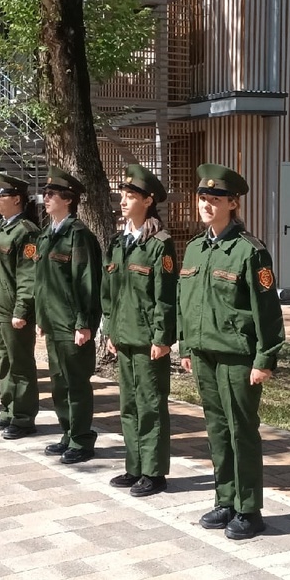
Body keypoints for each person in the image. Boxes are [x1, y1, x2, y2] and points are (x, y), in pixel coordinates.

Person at [177, 164, 285, 541]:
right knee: (216, 430)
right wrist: (186, 344)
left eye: (216, 199)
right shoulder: (194, 249)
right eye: (203, 197)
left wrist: (265, 358)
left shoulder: (249, 252)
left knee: (241, 432)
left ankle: (249, 508)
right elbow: (185, 302)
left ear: (233, 203)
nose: (207, 204)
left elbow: (267, 311)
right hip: (204, 355)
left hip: (238, 357)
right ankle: (225, 498)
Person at [102, 164, 176, 497]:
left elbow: (165, 297)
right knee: (129, 405)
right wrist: (111, 331)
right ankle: (134, 466)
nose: (123, 201)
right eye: (122, 195)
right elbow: (110, 293)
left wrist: (162, 338)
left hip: (148, 341)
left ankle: (155, 472)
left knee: (150, 405)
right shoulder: (119, 242)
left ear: (147, 201)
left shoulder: (159, 244)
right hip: (124, 337)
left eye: (130, 196)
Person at [34, 167, 102, 464]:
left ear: (68, 199)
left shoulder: (78, 235)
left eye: (51, 194)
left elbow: (86, 282)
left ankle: (82, 438)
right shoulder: (47, 234)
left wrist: (84, 323)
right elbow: (41, 281)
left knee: (76, 383)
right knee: (59, 382)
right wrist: (41, 317)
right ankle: (68, 433)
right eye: (46, 194)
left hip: (72, 323)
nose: (45, 198)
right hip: (53, 322)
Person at [0, 173, 41, 440]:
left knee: (20, 364)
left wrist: (21, 310)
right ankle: (9, 410)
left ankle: (24, 417)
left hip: (12, 310)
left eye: (1, 195)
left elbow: (28, 276)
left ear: (17, 199)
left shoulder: (26, 232)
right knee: (4, 362)